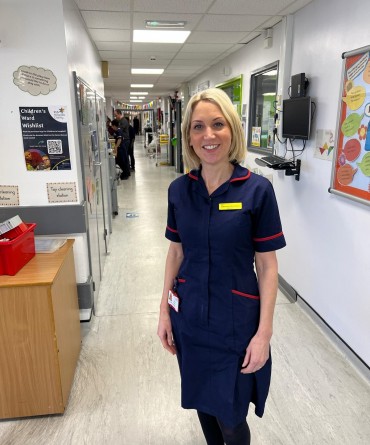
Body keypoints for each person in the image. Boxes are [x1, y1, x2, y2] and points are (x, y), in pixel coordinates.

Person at [157, 88, 286, 445]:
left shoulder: (257, 191)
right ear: (189, 137)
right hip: (191, 320)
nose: (208, 135)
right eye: (198, 127)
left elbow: (268, 265)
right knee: (202, 401)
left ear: (232, 130)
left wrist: (264, 334)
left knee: (231, 416)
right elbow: (175, 254)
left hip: (236, 324)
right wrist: (164, 313)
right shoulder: (179, 191)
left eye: (217, 124)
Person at [113, 110, 130, 180]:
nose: (115, 116)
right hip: (123, 141)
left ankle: (125, 174)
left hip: (124, 141)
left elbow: (119, 131)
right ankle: (126, 172)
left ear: (120, 114)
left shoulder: (123, 121)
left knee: (124, 158)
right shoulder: (121, 121)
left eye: (116, 115)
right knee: (124, 158)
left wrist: (116, 147)